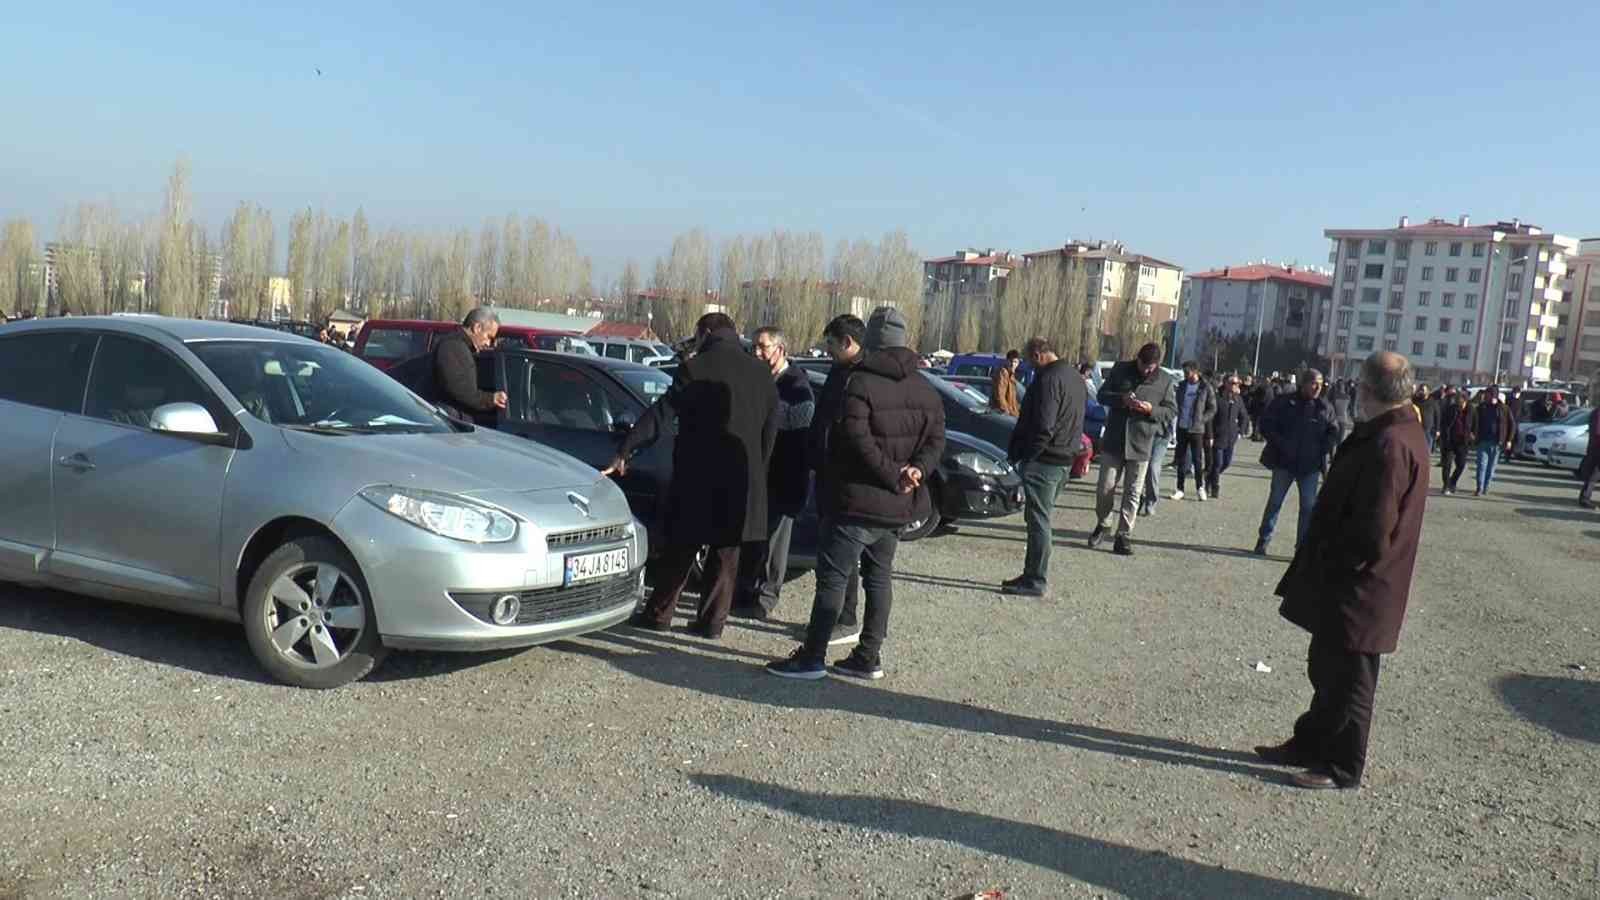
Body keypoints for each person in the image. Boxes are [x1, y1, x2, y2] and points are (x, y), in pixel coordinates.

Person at [1255, 350, 1428, 791]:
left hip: (1362, 586)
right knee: (1327, 668)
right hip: (1353, 583)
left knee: (1352, 679)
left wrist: (1337, 563)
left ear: (1368, 389)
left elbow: (1374, 530)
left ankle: (1342, 767)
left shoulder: (1391, 443)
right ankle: (1310, 742)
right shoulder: (1389, 432)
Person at [768, 307, 944, 680]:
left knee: (832, 580)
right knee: (879, 579)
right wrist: (915, 471)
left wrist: (890, 474)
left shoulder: (857, 383)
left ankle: (813, 656)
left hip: (855, 500)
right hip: (897, 505)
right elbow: (935, 440)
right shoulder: (924, 387)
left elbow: (855, 440)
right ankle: (868, 656)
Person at [606, 313, 778, 639]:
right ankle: (711, 623)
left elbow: (660, 414)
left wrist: (625, 450)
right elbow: (770, 431)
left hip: (696, 478)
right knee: (726, 555)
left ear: (706, 333)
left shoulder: (695, 369)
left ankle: (659, 614)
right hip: (742, 480)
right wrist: (757, 470)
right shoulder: (761, 372)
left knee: (680, 549)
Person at [732, 326, 816, 620]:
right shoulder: (757, 378)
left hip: (784, 477)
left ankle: (766, 598)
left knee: (775, 544)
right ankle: (744, 592)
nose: (756, 352)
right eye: (753, 346)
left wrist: (763, 408)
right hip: (756, 474)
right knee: (753, 538)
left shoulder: (796, 383)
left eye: (763, 347)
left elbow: (800, 417)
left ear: (780, 349)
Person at [1001, 337, 1087, 597]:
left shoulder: (1049, 379)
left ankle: (1036, 579)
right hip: (1064, 457)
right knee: (1040, 517)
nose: (1028, 365)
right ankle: (1031, 573)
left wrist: (1028, 457)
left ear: (1038, 355)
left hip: (1046, 460)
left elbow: (1044, 425)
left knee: (1038, 520)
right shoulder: (1073, 376)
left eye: (1029, 359)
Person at [804, 314, 869, 645]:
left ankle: (844, 618)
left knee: (843, 556)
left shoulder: (859, 377)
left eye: (830, 344)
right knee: (832, 553)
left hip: (844, 478)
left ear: (847, 342)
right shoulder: (840, 371)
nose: (826, 350)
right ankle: (836, 616)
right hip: (829, 474)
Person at [1088, 343, 1177, 557]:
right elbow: (1101, 396)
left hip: (1142, 442)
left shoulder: (1164, 380)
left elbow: (1171, 410)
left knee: (1133, 493)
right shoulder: (1120, 369)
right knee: (1105, 488)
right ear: (1137, 359)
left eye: (1150, 367)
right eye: (1143, 365)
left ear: (1157, 365)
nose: (1145, 370)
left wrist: (1151, 410)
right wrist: (1121, 400)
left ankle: (1123, 535)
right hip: (1114, 441)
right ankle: (1103, 523)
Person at [1253, 367, 1339, 556]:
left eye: (1321, 383)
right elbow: (1266, 423)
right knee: (1275, 502)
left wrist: (1323, 448)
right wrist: (1281, 443)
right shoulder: (1284, 402)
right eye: (1314, 383)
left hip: (1310, 467)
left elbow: (1333, 431)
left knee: (1308, 508)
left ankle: (1301, 548)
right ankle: (1263, 540)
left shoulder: (1325, 407)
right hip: (1284, 463)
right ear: (1303, 384)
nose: (1318, 387)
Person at [430, 307, 508, 420]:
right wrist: (490, 399)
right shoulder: (452, 346)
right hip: (448, 422)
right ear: (477, 327)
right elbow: (458, 388)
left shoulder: (464, 348)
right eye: (488, 337)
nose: (488, 343)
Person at [1170, 361, 1217, 501]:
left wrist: (1202, 419)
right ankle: (1180, 488)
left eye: (1188, 372)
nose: (1185, 375)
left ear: (1196, 372)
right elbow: (1176, 403)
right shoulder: (1182, 386)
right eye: (1184, 372)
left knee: (1197, 459)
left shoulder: (1205, 387)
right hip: (1182, 427)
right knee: (1181, 459)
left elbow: (1212, 408)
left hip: (1197, 429)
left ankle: (1199, 487)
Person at [1206, 374, 1251, 499]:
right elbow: (1209, 419)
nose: (1235, 386)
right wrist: (1209, 435)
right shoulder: (1217, 398)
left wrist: (1241, 432)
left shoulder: (1238, 399)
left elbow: (1244, 416)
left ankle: (1209, 477)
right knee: (1217, 463)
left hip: (1231, 437)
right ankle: (1214, 487)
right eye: (1232, 383)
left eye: (1237, 383)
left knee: (1226, 463)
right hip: (1217, 436)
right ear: (1225, 383)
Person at [1469, 385, 1514, 497]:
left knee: (1491, 467)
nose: (1485, 396)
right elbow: (1474, 421)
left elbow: (1512, 425)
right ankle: (1479, 488)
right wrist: (1472, 433)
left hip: (1497, 442)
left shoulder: (1504, 408)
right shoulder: (1481, 407)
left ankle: (1486, 487)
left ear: (1493, 395)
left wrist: (1509, 440)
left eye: (1487, 394)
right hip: (1482, 441)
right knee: (1481, 465)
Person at [1437, 389, 1472, 495]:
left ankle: (1453, 481)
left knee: (1461, 465)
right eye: (1457, 401)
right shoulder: (1451, 409)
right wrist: (1443, 436)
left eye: (1460, 401)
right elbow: (1443, 423)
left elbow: (1475, 423)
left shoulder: (1471, 410)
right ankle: (1446, 485)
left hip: (1463, 442)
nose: (1458, 403)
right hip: (1450, 441)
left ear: (1465, 401)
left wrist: (1473, 434)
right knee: (1446, 464)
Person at [1579, 398, 1600, 509]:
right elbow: (1597, 432)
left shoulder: (1596, 412)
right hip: (1597, 448)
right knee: (1593, 475)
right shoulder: (1598, 413)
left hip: (1595, 447)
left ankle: (1585, 497)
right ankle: (1584, 498)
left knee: (1593, 475)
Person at [989, 350, 1023, 417]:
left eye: (1015, 362)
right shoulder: (1003, 372)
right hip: (1000, 415)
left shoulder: (1011, 376)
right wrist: (1008, 412)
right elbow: (1000, 396)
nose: (1013, 364)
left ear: (1018, 363)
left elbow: (1012, 401)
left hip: (1007, 414)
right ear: (1006, 361)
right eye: (1011, 361)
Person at [1414, 384, 1439, 452]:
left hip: (1429, 430)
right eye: (1420, 389)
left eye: (1423, 390)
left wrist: (1437, 429)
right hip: (1417, 429)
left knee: (1427, 450)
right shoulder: (1416, 401)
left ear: (1428, 391)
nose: (1421, 391)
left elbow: (1437, 416)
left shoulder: (1433, 402)